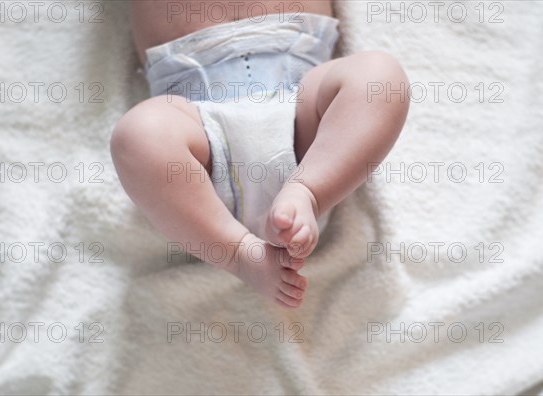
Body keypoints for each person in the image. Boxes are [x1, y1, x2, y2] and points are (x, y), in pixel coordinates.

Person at [111, 1, 409, 308]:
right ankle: (240, 255)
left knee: (379, 76)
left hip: (308, 119)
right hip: (197, 128)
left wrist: (308, 187)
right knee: (137, 135)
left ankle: (308, 192)